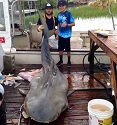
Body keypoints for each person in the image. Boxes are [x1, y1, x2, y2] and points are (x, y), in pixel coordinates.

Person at [56, 0, 75, 67]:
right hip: (60, 34)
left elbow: (73, 24)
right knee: (60, 48)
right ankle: (61, 61)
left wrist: (66, 25)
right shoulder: (58, 15)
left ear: (65, 6)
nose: (61, 7)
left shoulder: (69, 14)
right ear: (59, 7)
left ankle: (69, 61)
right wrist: (57, 34)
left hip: (67, 35)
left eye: (63, 6)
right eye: (60, 6)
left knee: (68, 49)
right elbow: (58, 24)